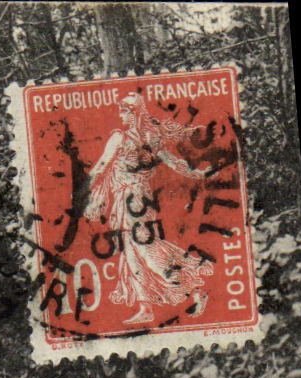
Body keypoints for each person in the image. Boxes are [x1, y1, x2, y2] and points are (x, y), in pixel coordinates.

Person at [83, 92, 213, 325]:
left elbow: (101, 166)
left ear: (133, 114)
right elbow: (174, 163)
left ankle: (191, 288)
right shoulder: (151, 137)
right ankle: (145, 307)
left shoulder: (120, 138)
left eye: (124, 111)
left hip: (132, 199)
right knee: (131, 251)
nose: (120, 115)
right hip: (135, 198)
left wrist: (82, 192)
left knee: (144, 249)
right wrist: (198, 173)